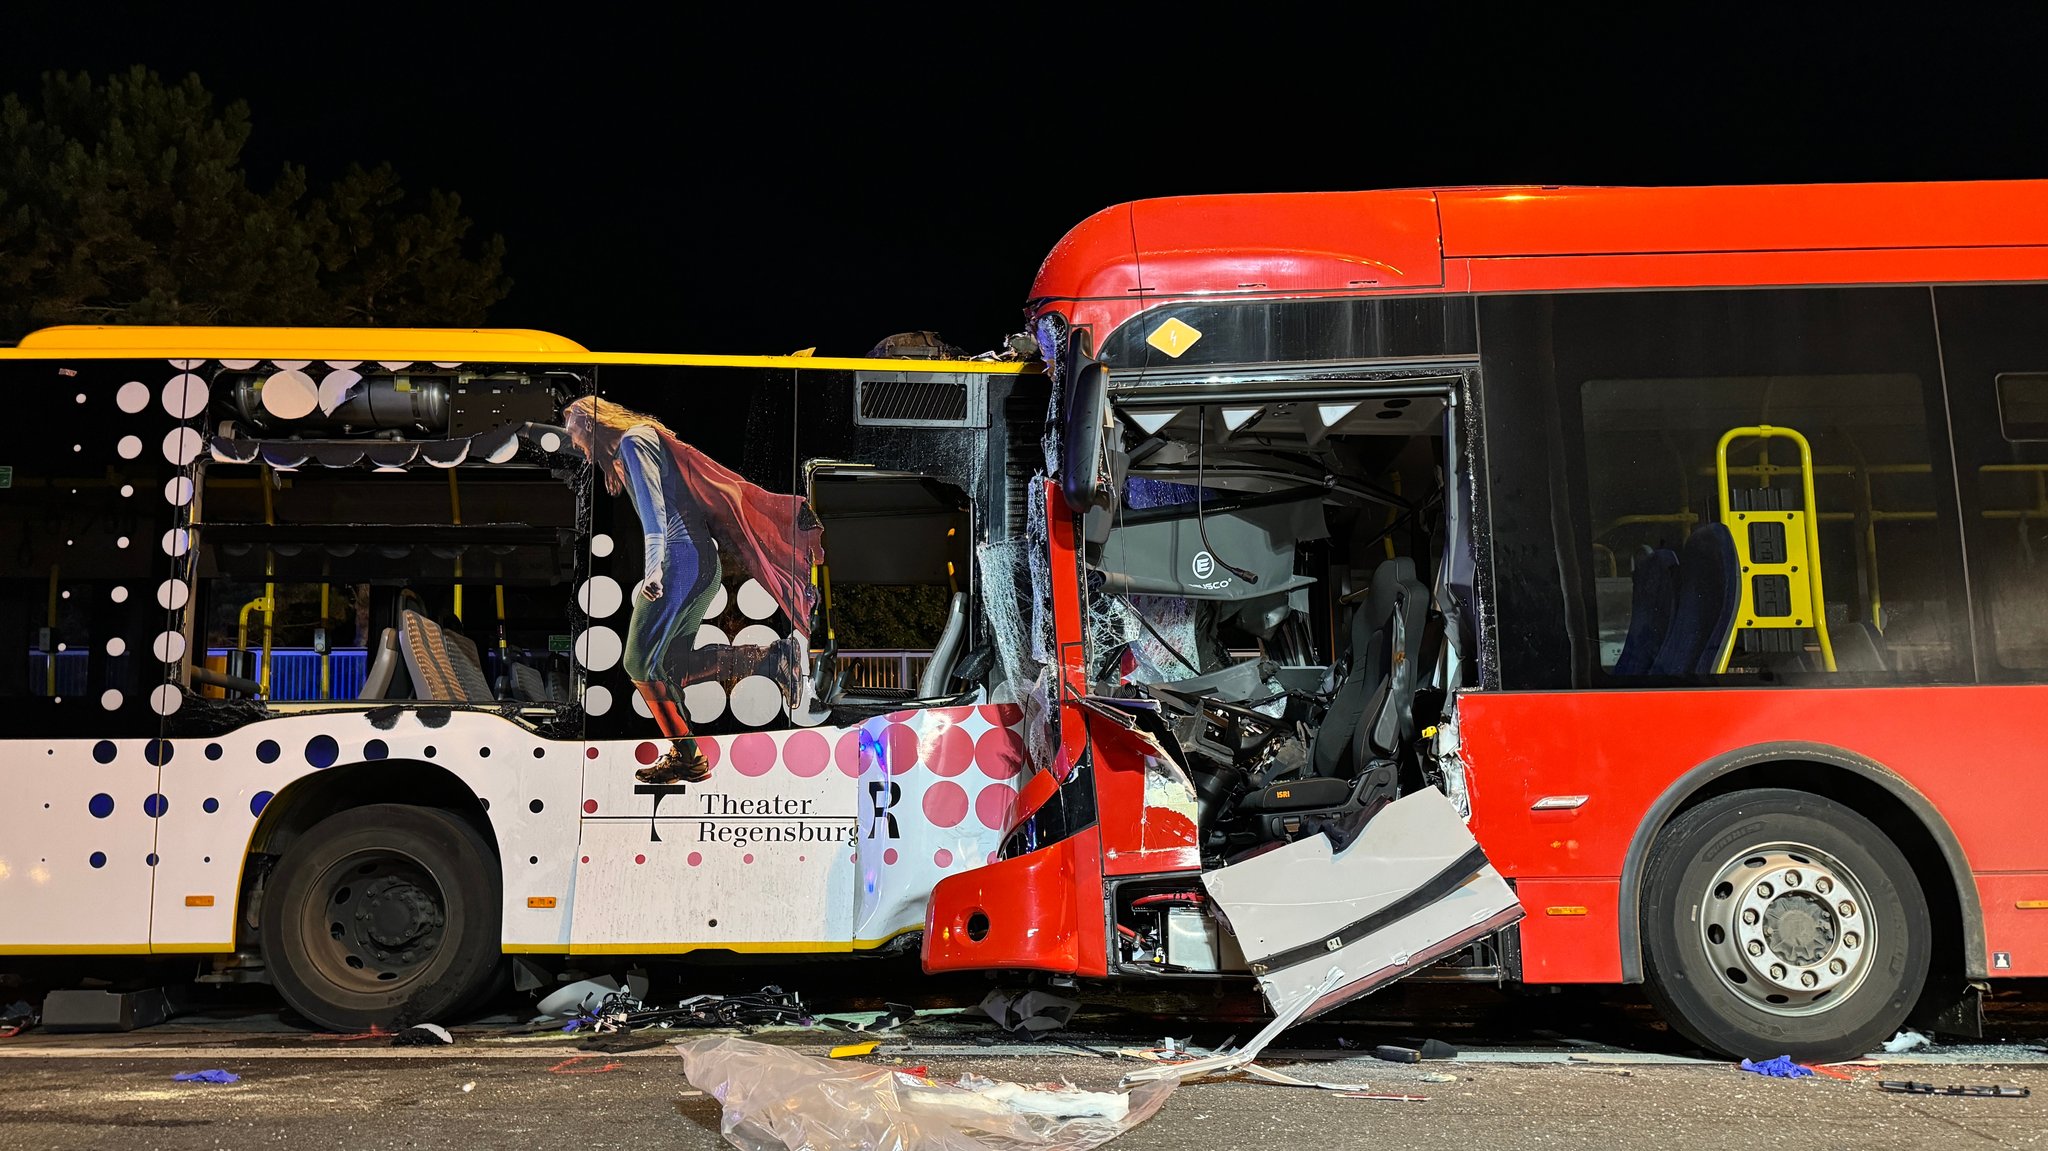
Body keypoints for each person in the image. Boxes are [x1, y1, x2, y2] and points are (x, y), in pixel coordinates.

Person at [562, 396, 822, 783]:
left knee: (637, 661)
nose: (571, 441)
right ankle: (772, 659)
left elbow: (655, 512)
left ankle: (687, 756)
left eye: (573, 431)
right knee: (672, 665)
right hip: (699, 563)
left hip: (679, 562)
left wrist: (653, 570)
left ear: (591, 422)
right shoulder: (632, 444)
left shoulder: (634, 443)